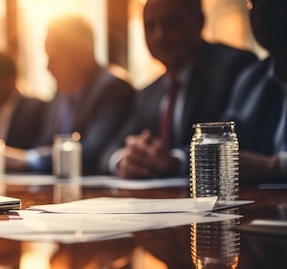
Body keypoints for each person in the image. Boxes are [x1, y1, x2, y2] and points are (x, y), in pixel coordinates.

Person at [105, 0, 258, 178]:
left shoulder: (234, 68)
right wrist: (124, 159)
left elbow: (237, 142)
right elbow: (109, 149)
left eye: (171, 23)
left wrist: (176, 160)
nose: (159, 35)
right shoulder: (149, 93)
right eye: (150, 26)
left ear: (199, 21)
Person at [2, 15, 135, 174]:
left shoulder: (114, 89)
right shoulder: (61, 95)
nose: (48, 67)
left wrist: (27, 160)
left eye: (54, 57)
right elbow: (43, 144)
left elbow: (90, 154)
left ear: (83, 54)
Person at [220, 0, 287, 183]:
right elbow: (222, 141)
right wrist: (173, 158)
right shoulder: (250, 80)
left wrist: (275, 166)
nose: (259, 11)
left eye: (272, 3)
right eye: (252, 3)